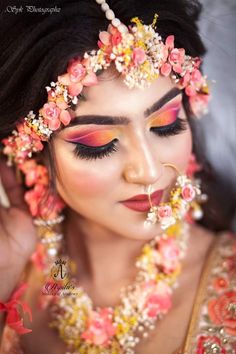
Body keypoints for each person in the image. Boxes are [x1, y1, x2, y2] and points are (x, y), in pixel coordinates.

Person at [0, 0, 235, 353]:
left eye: (167, 125)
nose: (149, 171)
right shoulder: (12, 272)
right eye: (98, 144)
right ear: (31, 151)